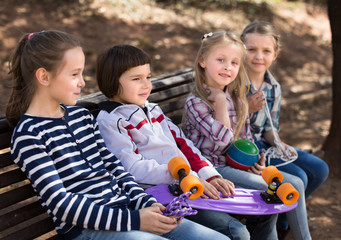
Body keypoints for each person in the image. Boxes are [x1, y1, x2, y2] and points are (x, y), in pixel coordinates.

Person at [6, 30, 231, 240]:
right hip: (89, 228)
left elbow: (115, 168)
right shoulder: (29, 135)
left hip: (127, 210)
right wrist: (134, 220)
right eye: (74, 74)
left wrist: (146, 204)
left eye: (82, 73)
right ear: (44, 77)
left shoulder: (81, 117)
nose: (83, 82)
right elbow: (61, 203)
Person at [95, 44, 278, 240]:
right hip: (159, 195)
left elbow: (185, 145)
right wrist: (186, 177)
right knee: (237, 232)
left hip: (189, 184)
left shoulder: (153, 110)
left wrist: (210, 176)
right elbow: (132, 168)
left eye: (148, 77)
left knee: (266, 208)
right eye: (136, 79)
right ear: (113, 81)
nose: (146, 85)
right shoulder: (112, 120)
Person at [183, 30, 312, 240]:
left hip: (236, 168)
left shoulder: (238, 100)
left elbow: (246, 139)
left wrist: (257, 162)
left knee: (295, 183)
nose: (227, 67)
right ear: (203, 61)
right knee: (273, 190)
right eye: (221, 60)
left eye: (234, 63)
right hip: (211, 171)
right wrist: (221, 104)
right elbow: (224, 139)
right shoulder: (196, 104)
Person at [241, 21, 329, 237]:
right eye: (251, 49)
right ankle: (283, 227)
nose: (258, 56)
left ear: (275, 54)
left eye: (266, 51)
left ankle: (283, 218)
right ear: (241, 50)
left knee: (319, 169)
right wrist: (247, 107)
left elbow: (271, 127)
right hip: (248, 149)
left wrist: (280, 144)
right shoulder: (235, 82)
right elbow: (229, 128)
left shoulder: (273, 87)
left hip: (266, 143)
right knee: (300, 176)